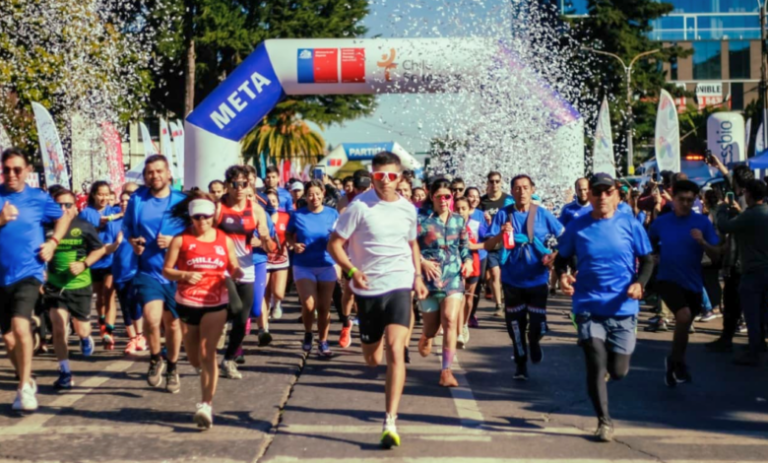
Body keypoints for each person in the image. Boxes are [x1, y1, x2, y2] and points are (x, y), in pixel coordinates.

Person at [328, 151, 428, 449]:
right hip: (368, 289)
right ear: (372, 177)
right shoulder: (359, 208)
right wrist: (351, 271)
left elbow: (412, 244)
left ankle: (390, 420)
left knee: (397, 350)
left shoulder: (409, 210)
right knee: (373, 359)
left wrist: (418, 277)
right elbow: (334, 244)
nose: (385, 181)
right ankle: (371, 344)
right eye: (379, 176)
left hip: (399, 284)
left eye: (391, 176)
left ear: (400, 178)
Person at [556, 173, 653, 442]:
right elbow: (561, 259)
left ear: (617, 195)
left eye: (607, 192)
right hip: (587, 305)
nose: (601, 197)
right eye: (596, 192)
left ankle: (611, 370)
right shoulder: (578, 226)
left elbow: (647, 260)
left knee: (619, 371)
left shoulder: (630, 224)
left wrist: (640, 284)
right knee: (596, 362)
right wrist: (563, 276)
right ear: (590, 195)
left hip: (623, 307)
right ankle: (604, 422)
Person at [163, 192, 244, 429]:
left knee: (208, 351)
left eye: (207, 217)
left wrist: (237, 272)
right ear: (191, 218)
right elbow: (167, 270)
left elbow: (233, 265)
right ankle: (203, 371)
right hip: (187, 302)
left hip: (216, 301)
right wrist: (185, 274)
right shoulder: (180, 240)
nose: (202, 222)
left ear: (213, 217)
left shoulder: (223, 240)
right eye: (197, 217)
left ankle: (206, 404)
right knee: (194, 355)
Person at [0, 147, 71, 411]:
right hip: (1, 277)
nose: (11, 174)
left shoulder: (39, 198)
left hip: (28, 273)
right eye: (6, 169)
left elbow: (63, 217)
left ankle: (22, 391)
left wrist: (53, 242)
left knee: (21, 326)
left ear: (27, 171)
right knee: (8, 340)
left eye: (17, 169)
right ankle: (26, 379)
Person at [484, 174, 563, 380]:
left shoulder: (543, 214)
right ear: (511, 191)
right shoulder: (504, 214)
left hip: (537, 278)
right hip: (512, 279)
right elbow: (488, 246)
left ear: (532, 190)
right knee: (515, 325)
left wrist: (556, 255)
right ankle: (520, 363)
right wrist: (501, 234)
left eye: (525, 187)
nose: (521, 191)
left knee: (537, 325)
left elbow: (565, 237)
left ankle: (535, 342)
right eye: (517, 188)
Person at [123, 154, 187, 393]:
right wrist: (133, 242)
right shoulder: (137, 199)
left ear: (169, 173)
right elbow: (128, 226)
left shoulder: (181, 201)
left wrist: (174, 241)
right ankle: (155, 358)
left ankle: (172, 366)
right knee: (151, 319)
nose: (155, 176)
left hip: (176, 272)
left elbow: (196, 233)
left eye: (159, 171)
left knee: (172, 325)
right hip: (147, 270)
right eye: (150, 172)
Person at [648, 180, 719, 386]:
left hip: (694, 283)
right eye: (682, 200)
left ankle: (675, 360)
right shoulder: (662, 222)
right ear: (673, 198)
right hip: (667, 279)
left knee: (685, 323)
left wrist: (703, 242)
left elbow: (716, 256)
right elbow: (646, 245)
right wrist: (652, 256)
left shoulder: (702, 222)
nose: (686, 204)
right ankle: (677, 362)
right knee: (683, 315)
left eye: (690, 200)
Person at [44, 189, 112, 389]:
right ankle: (65, 371)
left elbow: (99, 249)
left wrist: (84, 264)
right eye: (59, 205)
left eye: (68, 205)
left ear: (76, 208)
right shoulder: (46, 227)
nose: (63, 209)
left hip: (79, 285)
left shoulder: (83, 226)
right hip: (56, 286)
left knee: (82, 328)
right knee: (58, 327)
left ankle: (85, 337)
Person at [416, 179, 472, 386]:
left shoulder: (458, 220)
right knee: (431, 328)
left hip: (453, 276)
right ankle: (425, 336)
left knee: (449, 320)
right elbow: (409, 246)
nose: (443, 200)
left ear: (452, 197)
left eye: (447, 196)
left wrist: (466, 261)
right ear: (432, 197)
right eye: (439, 196)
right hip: (429, 279)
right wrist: (422, 262)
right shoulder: (421, 220)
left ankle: (446, 371)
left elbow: (464, 246)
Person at [216, 166, 270, 378]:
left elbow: (270, 247)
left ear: (250, 185)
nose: (239, 188)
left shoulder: (256, 210)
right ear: (228, 185)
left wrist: (265, 238)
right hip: (223, 269)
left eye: (244, 184)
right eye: (235, 184)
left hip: (247, 268)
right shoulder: (218, 208)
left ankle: (228, 360)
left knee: (244, 317)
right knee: (236, 307)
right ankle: (217, 325)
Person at [716, 179, 768, 366]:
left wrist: (722, 209)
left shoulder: (751, 215)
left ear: (750, 195)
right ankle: (760, 343)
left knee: (752, 314)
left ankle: (754, 352)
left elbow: (725, 226)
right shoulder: (760, 213)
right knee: (762, 312)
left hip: (753, 271)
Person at [286, 180, 339, 356]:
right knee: (309, 305)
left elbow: (341, 238)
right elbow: (287, 235)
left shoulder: (333, 214)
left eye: (317, 193)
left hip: (326, 264)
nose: (314, 197)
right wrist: (294, 244)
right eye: (310, 194)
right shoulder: (298, 215)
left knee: (324, 307)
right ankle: (308, 333)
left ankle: (323, 341)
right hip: (303, 265)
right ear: (305, 196)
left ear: (323, 193)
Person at [80, 181, 121, 349]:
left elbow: (126, 212)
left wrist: (111, 217)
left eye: (106, 194)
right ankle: (102, 321)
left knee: (109, 292)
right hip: (94, 259)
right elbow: (83, 234)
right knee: (100, 298)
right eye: (100, 194)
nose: (103, 198)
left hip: (111, 259)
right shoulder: (86, 213)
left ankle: (108, 332)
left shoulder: (115, 210)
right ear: (94, 195)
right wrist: (97, 227)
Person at [113, 190, 146, 354]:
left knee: (135, 303)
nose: (124, 203)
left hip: (136, 270)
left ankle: (139, 336)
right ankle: (132, 339)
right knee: (125, 307)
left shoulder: (139, 222)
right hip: (119, 270)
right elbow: (105, 247)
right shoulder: (114, 223)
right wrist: (115, 243)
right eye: (122, 201)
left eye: (128, 201)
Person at [480, 171, 514, 317]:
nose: (494, 184)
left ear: (501, 182)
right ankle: (498, 305)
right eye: (491, 181)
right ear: (487, 183)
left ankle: (510, 302)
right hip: (492, 243)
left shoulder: (508, 200)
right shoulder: (482, 202)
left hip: (508, 244)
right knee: (495, 274)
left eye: (497, 181)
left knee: (506, 275)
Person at [454, 195, 485, 345]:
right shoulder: (449, 224)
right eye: (457, 208)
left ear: (469, 210)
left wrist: (474, 246)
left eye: (463, 208)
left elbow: (488, 242)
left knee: (468, 298)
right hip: (455, 265)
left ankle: (465, 324)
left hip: (473, 264)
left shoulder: (476, 224)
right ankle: (458, 332)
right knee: (459, 298)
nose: (460, 211)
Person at [464, 187, 488, 328]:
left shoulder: (481, 215)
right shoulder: (459, 212)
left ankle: (471, 314)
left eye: (477, 196)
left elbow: (486, 235)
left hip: (480, 256)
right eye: (471, 196)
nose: (474, 199)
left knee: (476, 287)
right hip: (463, 256)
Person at [265, 189, 290, 320]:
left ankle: (277, 304)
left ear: (279, 203)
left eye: (274, 201)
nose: (272, 203)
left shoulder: (286, 217)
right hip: (264, 257)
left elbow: (292, 234)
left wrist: (291, 242)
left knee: (278, 292)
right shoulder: (260, 216)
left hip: (281, 257)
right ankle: (264, 323)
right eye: (269, 201)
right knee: (265, 292)